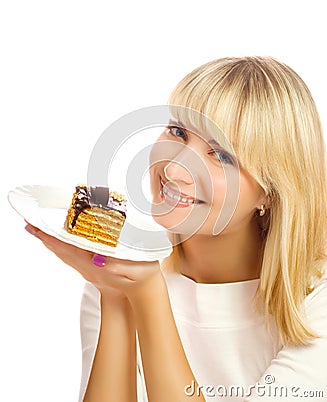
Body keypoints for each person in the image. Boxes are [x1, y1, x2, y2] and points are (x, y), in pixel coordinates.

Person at [25, 56, 327, 402]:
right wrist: (115, 295)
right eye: (179, 132)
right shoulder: (121, 274)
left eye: (221, 155)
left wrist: (148, 295)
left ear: (270, 193)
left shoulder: (315, 304)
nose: (176, 169)